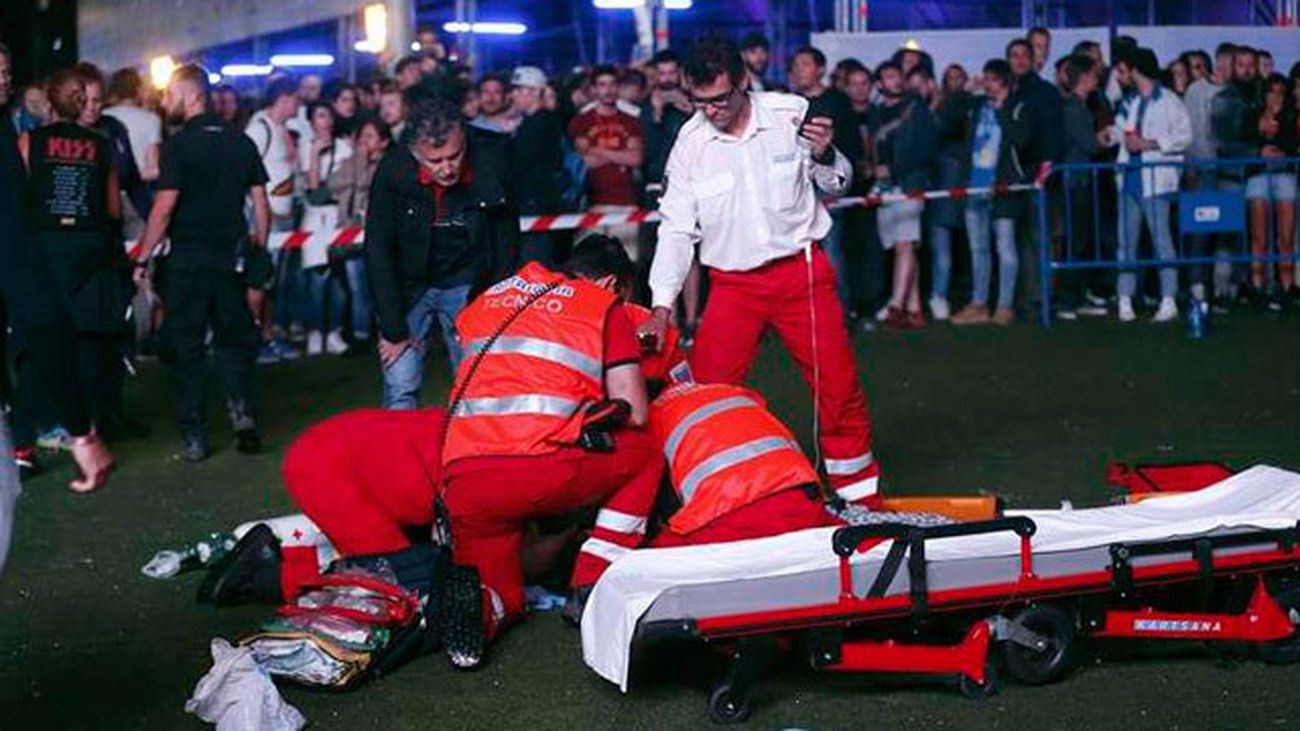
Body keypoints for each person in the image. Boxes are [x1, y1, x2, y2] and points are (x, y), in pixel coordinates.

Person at [643, 37, 881, 508]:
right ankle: (711, 497)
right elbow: (675, 229)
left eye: (720, 100)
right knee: (705, 393)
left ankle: (862, 502)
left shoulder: (791, 112)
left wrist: (826, 155)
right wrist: (661, 305)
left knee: (838, 389)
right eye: (699, 101)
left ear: (744, 83)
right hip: (733, 287)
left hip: (802, 275)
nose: (710, 111)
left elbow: (837, 182)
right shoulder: (689, 145)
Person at [440, 235, 663, 661]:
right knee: (645, 453)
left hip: (465, 476)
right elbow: (634, 411)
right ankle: (592, 580)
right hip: (536, 469)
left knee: (506, 593)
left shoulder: (493, 297)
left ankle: (484, 612)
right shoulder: (601, 307)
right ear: (615, 285)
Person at [1, 43, 114, 542]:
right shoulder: (13, 138)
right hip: (62, 260)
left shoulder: (25, 141)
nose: (6, 81)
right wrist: (81, 430)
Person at [133, 64, 271, 461]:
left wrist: (142, 256)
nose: (164, 101)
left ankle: (195, 434)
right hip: (230, 261)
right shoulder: (240, 141)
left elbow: (164, 207)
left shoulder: (177, 146)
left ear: (190, 95)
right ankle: (243, 418)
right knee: (234, 342)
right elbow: (261, 203)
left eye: (169, 94)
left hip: (188, 263)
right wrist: (258, 248)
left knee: (185, 348)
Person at [364, 95, 519, 409]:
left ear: (464, 140)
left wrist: (491, 306)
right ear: (415, 152)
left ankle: (473, 455)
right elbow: (378, 250)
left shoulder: (491, 164)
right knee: (401, 387)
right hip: (408, 289)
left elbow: (506, 243)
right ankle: (398, 456)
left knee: (475, 387)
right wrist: (393, 328)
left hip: (468, 284)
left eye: (454, 156)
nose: (447, 168)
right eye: (435, 161)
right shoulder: (392, 172)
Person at [13, 68, 130, 459]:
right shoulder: (100, 145)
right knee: (87, 342)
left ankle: (32, 434)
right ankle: (88, 428)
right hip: (89, 253)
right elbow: (113, 208)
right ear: (82, 101)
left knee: (37, 340)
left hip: (44, 252)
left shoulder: (30, 141)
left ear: (49, 100)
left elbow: (17, 195)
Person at [646, 381, 835, 549]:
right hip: (803, 504)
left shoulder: (649, 421)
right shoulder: (729, 392)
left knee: (645, 562)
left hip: (728, 521)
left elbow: (651, 503)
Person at [1105, 48, 1192, 323]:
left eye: (1126, 70)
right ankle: (1125, 299)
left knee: (1161, 240)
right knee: (1126, 242)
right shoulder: (1128, 101)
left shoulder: (1169, 101)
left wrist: (1150, 144)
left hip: (1156, 180)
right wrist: (1108, 136)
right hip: (1130, 178)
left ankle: (1168, 299)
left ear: (1136, 70)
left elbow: (1184, 136)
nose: (1123, 75)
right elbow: (1119, 131)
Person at [950, 60, 1027, 327]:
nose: (987, 83)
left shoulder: (1018, 106)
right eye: (986, 78)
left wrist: (1003, 107)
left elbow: (1022, 138)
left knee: (1005, 248)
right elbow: (947, 120)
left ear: (1005, 82)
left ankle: (1004, 306)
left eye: (992, 79)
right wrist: (962, 92)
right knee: (977, 249)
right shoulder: (975, 105)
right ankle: (979, 303)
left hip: (1003, 187)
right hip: (974, 185)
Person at [790, 46, 864, 318]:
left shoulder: (837, 102)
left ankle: (840, 314)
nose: (799, 70)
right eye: (795, 65)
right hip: (796, 190)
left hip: (828, 188)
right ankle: (803, 317)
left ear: (820, 69)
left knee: (831, 253)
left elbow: (852, 144)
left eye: (805, 64)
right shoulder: (789, 103)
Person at [868, 60, 936, 329]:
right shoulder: (876, 113)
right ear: (880, 83)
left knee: (905, 244)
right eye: (887, 76)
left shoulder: (917, 109)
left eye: (897, 75)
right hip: (885, 186)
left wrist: (893, 168)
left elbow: (928, 149)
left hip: (911, 183)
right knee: (900, 245)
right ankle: (914, 308)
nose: (894, 80)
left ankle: (896, 306)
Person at [637, 51, 698, 322]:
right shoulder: (646, 109)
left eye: (671, 72)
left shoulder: (694, 106)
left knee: (691, 256)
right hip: (655, 188)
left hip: (692, 186)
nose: (667, 79)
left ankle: (692, 320)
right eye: (661, 73)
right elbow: (645, 155)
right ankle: (668, 320)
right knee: (662, 256)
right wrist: (658, 112)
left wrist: (689, 109)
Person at [245, 78, 303, 363]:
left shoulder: (282, 129)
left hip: (283, 217)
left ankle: (268, 336)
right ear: (283, 98)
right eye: (295, 97)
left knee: (272, 282)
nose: (299, 103)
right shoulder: (259, 129)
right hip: (266, 219)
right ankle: (253, 339)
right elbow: (245, 172)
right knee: (260, 280)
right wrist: (260, 215)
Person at [567, 65, 644, 255]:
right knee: (592, 264)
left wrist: (598, 150)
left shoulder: (631, 119)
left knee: (627, 262)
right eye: (602, 85)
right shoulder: (582, 120)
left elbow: (636, 158)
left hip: (627, 200)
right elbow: (584, 162)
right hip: (592, 202)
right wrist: (620, 155)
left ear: (618, 87)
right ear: (594, 89)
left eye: (612, 84)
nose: (608, 90)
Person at [300, 102, 349, 357]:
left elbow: (339, 187)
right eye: (320, 115)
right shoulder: (304, 148)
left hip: (338, 216)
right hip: (314, 218)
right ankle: (315, 331)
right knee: (317, 280)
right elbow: (314, 189)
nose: (326, 120)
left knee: (339, 280)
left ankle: (334, 331)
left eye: (328, 115)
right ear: (311, 122)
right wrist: (314, 155)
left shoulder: (344, 147)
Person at [1055, 54, 1101, 320]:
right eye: (1094, 75)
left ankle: (1076, 297)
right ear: (1084, 79)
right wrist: (1106, 139)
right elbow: (1089, 144)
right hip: (1076, 182)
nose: (1097, 79)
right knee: (1076, 241)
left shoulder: (1075, 107)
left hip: (1078, 180)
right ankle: (1068, 301)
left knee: (1080, 241)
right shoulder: (1074, 109)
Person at [927, 63, 971, 321]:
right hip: (938, 187)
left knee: (970, 248)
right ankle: (939, 295)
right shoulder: (936, 107)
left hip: (965, 186)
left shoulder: (972, 105)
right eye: (950, 77)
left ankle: (952, 295)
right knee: (940, 246)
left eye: (959, 76)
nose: (954, 81)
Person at [1248, 74, 1297, 306]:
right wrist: (1260, 149)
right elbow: (1243, 141)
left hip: (1285, 175)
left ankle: (1286, 286)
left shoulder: (1291, 117)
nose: (1275, 97)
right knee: (1259, 237)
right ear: (1264, 94)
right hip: (1258, 176)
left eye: (1280, 92)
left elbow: (1293, 145)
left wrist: (1281, 147)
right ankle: (1258, 286)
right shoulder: (1252, 116)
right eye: (1271, 92)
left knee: (1285, 237)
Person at [509, 66, 564, 265]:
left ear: (534, 92)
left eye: (518, 89)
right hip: (534, 201)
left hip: (536, 202)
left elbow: (520, 162)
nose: (513, 95)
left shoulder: (540, 124)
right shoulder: (531, 122)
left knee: (535, 263)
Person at [104, 67, 160, 183]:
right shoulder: (151, 119)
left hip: (108, 188)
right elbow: (153, 168)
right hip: (139, 190)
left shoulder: (103, 117)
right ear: (138, 90)